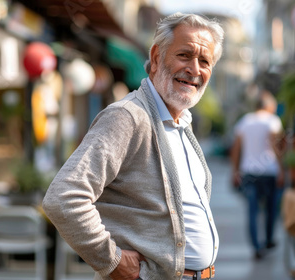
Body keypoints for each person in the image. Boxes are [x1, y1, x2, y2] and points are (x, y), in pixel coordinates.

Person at [43, 13, 224, 280]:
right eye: (184, 55)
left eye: (204, 61)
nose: (195, 69)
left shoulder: (181, 123)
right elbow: (64, 197)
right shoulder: (128, 117)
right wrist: (112, 260)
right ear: (156, 57)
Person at [230, 90, 284, 260]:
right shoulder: (273, 121)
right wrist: (282, 169)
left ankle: (256, 247)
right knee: (270, 209)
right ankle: (268, 240)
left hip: (249, 173)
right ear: (269, 106)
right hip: (269, 171)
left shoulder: (244, 121)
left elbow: (236, 149)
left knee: (252, 211)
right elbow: (275, 147)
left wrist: (235, 171)